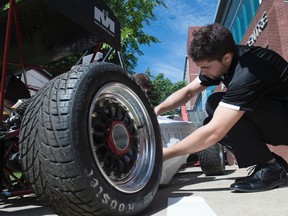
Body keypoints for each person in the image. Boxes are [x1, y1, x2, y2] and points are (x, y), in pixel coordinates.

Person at [154, 23, 288, 192]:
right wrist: (155, 110)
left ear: (226, 57)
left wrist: (164, 154)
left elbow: (214, 132)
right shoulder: (225, 62)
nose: (204, 72)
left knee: (217, 109)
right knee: (214, 108)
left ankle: (271, 169)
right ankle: (272, 164)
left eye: (206, 67)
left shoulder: (248, 71)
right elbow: (188, 91)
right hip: (277, 118)